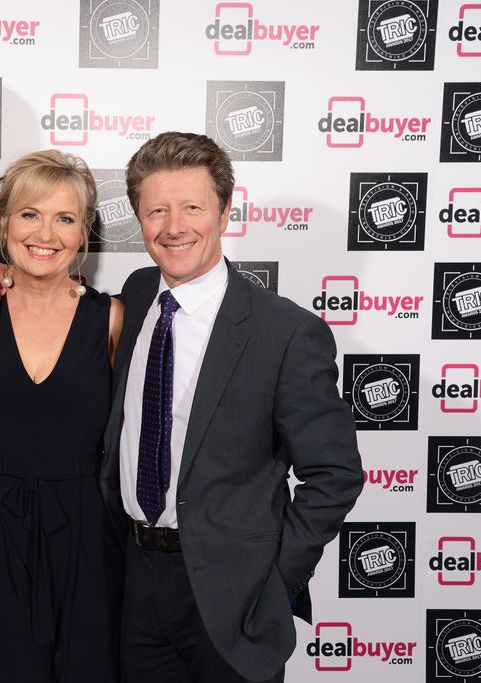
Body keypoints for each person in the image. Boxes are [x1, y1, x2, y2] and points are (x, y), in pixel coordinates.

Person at [99, 132, 363, 683]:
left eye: (193, 207)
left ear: (224, 211)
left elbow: (335, 476)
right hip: (135, 582)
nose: (175, 226)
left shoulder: (285, 332)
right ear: (138, 219)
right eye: (157, 210)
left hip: (233, 597)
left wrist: (272, 582)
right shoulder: (140, 291)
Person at [0, 150, 124, 683]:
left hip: (87, 533)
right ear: (3, 224)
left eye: (65, 218)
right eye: (30, 214)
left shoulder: (112, 318)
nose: (45, 232)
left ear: (82, 236)